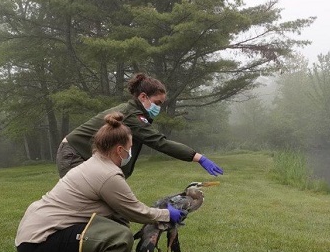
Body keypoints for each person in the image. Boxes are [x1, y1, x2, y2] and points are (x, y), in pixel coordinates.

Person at [15, 113, 187, 252]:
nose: (131, 151)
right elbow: (136, 212)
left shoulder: (94, 164)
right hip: (40, 248)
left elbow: (120, 211)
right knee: (120, 238)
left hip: (33, 241)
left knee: (107, 228)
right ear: (119, 150)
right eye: (130, 147)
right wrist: (168, 214)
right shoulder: (107, 174)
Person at [56, 72, 223, 179]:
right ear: (143, 97)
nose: (159, 107)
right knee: (85, 203)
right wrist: (199, 158)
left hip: (81, 153)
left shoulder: (136, 113)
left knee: (103, 204)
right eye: (157, 102)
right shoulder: (132, 115)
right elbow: (160, 142)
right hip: (74, 153)